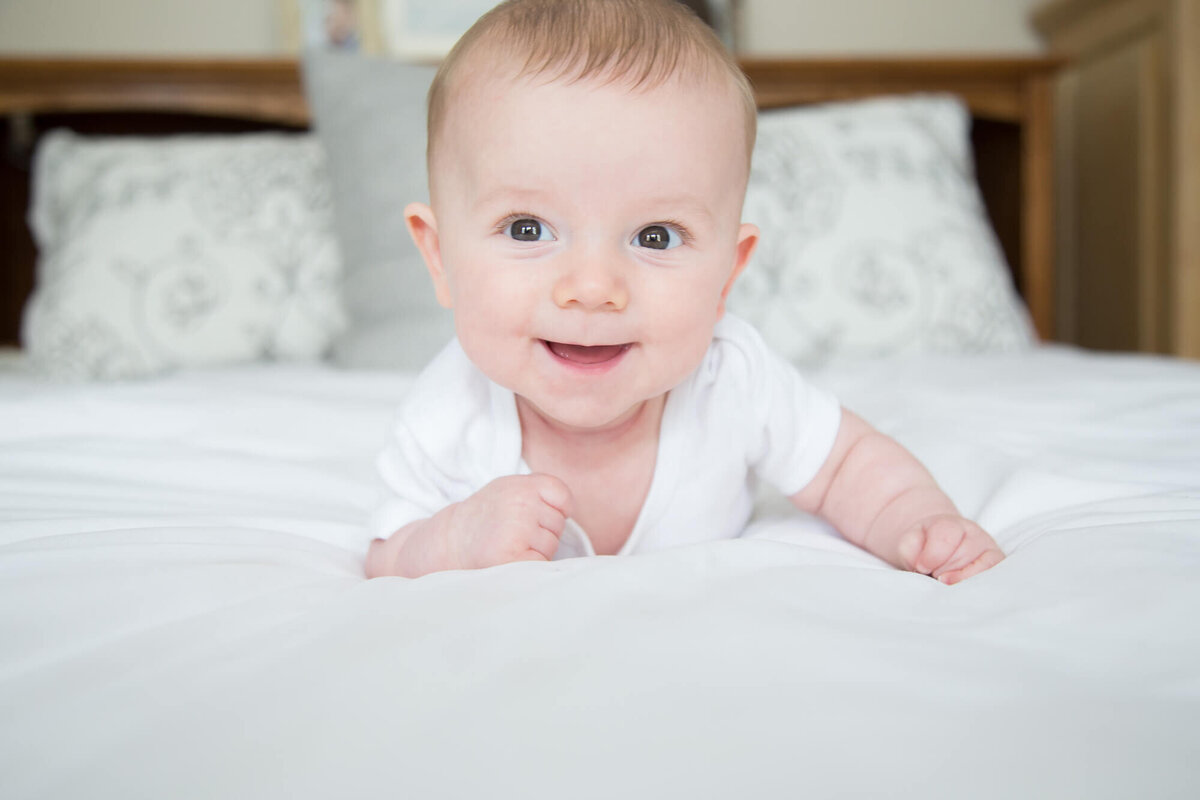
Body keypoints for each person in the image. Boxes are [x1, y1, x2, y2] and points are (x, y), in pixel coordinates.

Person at [365, 0, 1005, 584]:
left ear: (727, 273)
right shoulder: (448, 413)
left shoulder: (732, 377)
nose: (593, 288)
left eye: (655, 236)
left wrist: (918, 524)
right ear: (440, 257)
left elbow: (845, 465)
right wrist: (452, 541)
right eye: (528, 228)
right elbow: (386, 553)